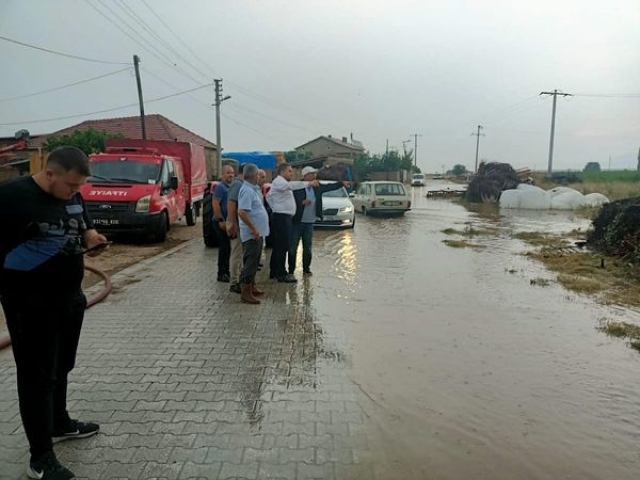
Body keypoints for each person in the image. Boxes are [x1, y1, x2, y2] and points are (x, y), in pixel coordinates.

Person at [0, 146, 107, 480]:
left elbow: (82, 224)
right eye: (71, 186)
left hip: (69, 297)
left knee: (62, 364)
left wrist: (92, 237)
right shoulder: (12, 197)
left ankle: (59, 422)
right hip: (28, 303)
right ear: (50, 174)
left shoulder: (72, 194)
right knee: (36, 376)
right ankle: (40, 457)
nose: (75, 192)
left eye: (80, 187)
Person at [289, 166, 349, 276]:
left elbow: (330, 186)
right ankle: (291, 271)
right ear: (305, 175)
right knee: (293, 248)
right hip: (297, 222)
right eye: (311, 174)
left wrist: (341, 183)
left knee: (307, 248)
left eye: (315, 174)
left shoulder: (317, 186)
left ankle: (306, 269)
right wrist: (301, 203)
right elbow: (289, 200)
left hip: (309, 223)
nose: (314, 176)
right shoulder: (296, 186)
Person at [266, 163, 318, 283]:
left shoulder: (280, 183)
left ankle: (274, 271)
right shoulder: (280, 182)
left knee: (279, 246)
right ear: (282, 172)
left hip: (283, 216)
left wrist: (275, 207)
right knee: (282, 246)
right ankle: (281, 273)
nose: (292, 173)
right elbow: (292, 186)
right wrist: (308, 183)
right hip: (282, 217)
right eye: (289, 171)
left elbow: (268, 196)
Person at [236, 163, 270, 304]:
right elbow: (242, 212)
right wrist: (254, 228)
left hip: (257, 233)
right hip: (252, 234)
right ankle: (245, 292)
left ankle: (252, 286)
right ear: (255, 176)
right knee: (250, 262)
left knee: (255, 261)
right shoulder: (247, 191)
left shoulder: (252, 189)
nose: (259, 177)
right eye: (258, 175)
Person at [212, 165, 234, 283]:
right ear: (223, 174)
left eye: (232, 173)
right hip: (220, 222)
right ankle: (221, 273)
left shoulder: (231, 187)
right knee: (224, 247)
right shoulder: (220, 187)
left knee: (228, 248)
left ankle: (227, 271)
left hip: (228, 221)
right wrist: (221, 220)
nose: (230, 175)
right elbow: (215, 204)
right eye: (228, 173)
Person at [225, 164, 244, 294]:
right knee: (236, 254)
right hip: (236, 224)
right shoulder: (237, 185)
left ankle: (238, 279)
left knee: (239, 254)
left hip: (239, 224)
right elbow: (231, 204)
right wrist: (232, 223)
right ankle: (234, 282)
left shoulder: (241, 184)